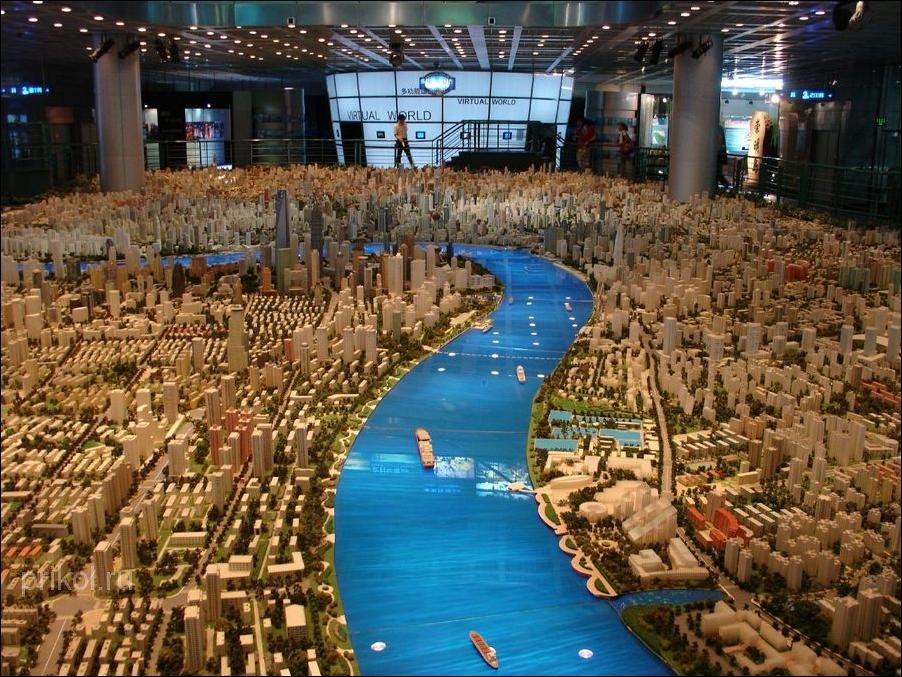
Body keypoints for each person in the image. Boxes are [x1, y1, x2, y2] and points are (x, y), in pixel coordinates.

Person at [716, 125, 731, 190]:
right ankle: (726, 185)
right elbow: (723, 144)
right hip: (719, 155)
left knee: (717, 174)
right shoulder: (720, 129)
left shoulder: (717, 129)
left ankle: (726, 185)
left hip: (718, 156)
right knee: (717, 174)